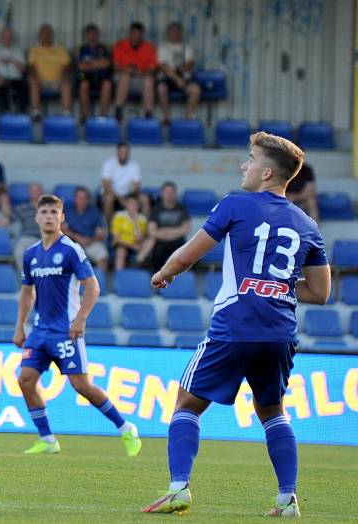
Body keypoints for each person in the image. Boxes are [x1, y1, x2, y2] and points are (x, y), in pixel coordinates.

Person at [143, 132, 331, 517]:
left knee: (187, 403)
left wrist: (163, 273)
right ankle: (287, 498)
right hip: (279, 333)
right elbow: (320, 292)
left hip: (235, 326)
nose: (244, 166)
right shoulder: (308, 224)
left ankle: (179, 487)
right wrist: (274, 285)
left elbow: (186, 257)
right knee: (273, 411)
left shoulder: (235, 205)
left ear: (265, 173)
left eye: (249, 159)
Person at [13, 194, 142, 456]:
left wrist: (81, 317)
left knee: (81, 385)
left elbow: (92, 286)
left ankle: (125, 427)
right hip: (40, 331)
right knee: (26, 380)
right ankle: (47, 439)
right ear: (37, 217)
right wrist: (20, 326)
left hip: (65, 329)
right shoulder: (31, 255)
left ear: (62, 218)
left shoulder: (70, 250)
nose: (49, 216)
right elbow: (27, 293)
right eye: (45, 212)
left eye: (54, 212)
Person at [137, 181, 191, 270]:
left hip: (177, 241)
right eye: (166, 192)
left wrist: (165, 232)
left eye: (171, 192)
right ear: (162, 193)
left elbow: (186, 229)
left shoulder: (181, 208)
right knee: (157, 254)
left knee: (187, 253)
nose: (169, 194)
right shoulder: (156, 208)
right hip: (160, 242)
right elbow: (152, 231)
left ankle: (181, 279)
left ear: (175, 193)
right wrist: (175, 231)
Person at [112, 22, 157, 121]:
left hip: (141, 76)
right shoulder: (120, 45)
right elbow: (116, 66)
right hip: (122, 76)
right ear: (129, 33)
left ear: (142, 34)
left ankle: (148, 113)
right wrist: (127, 70)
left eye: (138, 33)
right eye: (133, 33)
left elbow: (152, 68)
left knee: (149, 80)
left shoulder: (149, 47)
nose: (136, 36)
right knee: (125, 77)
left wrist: (139, 72)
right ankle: (118, 111)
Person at [156, 22, 201, 122]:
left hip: (184, 77)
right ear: (168, 33)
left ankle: (188, 116)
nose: (175, 33)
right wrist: (177, 79)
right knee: (161, 88)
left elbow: (190, 63)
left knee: (196, 90)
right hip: (167, 78)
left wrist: (182, 69)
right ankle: (167, 116)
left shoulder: (187, 47)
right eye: (172, 31)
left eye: (177, 31)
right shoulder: (163, 47)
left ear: (180, 33)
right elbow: (163, 67)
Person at [28, 24, 72, 120]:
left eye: (48, 33)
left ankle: (66, 114)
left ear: (52, 35)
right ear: (40, 36)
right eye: (43, 34)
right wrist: (35, 77)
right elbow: (31, 66)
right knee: (33, 82)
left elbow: (67, 66)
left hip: (57, 80)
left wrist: (63, 77)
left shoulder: (60, 49)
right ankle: (36, 113)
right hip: (40, 80)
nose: (46, 36)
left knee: (66, 84)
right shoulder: (34, 49)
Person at [62, 187, 109, 272]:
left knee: (103, 255)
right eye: (79, 198)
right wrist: (76, 237)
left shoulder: (95, 212)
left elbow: (101, 234)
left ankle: (97, 283)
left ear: (88, 199)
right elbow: (62, 229)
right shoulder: (68, 210)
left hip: (91, 242)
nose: (81, 200)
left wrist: (90, 240)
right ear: (75, 199)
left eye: (84, 198)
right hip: (72, 242)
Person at [100, 142, 149, 222]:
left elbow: (136, 186)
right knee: (109, 198)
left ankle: (142, 227)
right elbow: (107, 187)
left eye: (126, 152)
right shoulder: (108, 164)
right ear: (117, 152)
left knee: (144, 198)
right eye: (122, 152)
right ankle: (110, 230)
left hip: (128, 194)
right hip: (111, 193)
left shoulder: (134, 165)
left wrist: (130, 198)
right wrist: (121, 200)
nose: (124, 154)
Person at [76, 24, 113, 121]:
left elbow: (107, 64)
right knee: (83, 84)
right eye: (90, 33)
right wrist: (97, 64)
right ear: (86, 35)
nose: (92, 35)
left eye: (94, 33)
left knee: (107, 84)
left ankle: (103, 117)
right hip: (86, 76)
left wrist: (90, 64)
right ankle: (85, 117)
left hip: (102, 76)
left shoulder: (105, 48)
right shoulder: (81, 49)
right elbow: (80, 66)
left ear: (98, 34)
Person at [0, 26, 27, 113]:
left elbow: (23, 69)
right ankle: (5, 112)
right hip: (1, 78)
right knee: (1, 86)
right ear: (1, 37)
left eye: (9, 36)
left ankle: (22, 113)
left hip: (17, 78)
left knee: (24, 87)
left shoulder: (19, 50)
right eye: (5, 36)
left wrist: (11, 60)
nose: (7, 38)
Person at [111, 193, 148, 271]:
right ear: (126, 204)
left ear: (138, 206)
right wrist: (133, 246)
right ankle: (119, 275)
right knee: (121, 251)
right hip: (122, 243)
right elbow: (116, 239)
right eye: (130, 203)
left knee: (146, 245)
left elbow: (140, 239)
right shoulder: (119, 216)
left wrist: (135, 222)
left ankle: (137, 265)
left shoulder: (142, 219)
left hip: (136, 244)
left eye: (135, 204)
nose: (132, 207)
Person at [13, 182, 44, 270]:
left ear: (42, 193)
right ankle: (27, 279)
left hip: (42, 239)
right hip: (26, 238)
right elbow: (8, 220)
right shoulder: (21, 208)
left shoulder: (48, 208)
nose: (34, 193)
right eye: (32, 191)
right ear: (29, 193)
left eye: (37, 191)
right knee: (19, 252)